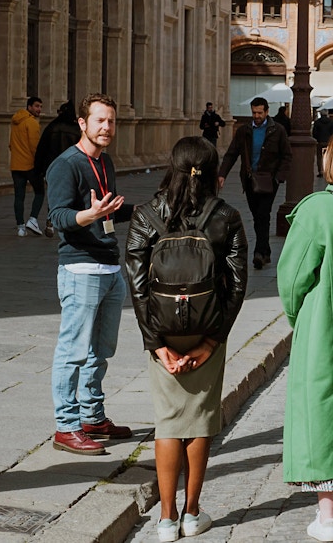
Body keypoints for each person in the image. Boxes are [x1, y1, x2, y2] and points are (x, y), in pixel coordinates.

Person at [126, 136, 247, 542]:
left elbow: (137, 284)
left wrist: (155, 343)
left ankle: (165, 519)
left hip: (162, 330)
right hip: (206, 327)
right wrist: (212, 341)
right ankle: (192, 515)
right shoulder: (226, 216)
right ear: (213, 172)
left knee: (168, 423)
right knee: (199, 421)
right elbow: (236, 284)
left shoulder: (146, 215)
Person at [46, 93, 134, 456]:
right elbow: (59, 218)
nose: (107, 127)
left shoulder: (105, 162)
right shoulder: (66, 165)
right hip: (80, 267)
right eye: (100, 120)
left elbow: (109, 212)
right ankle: (66, 427)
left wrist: (150, 211)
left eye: (111, 121)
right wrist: (91, 215)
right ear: (82, 123)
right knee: (73, 351)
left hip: (111, 266)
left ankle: (92, 416)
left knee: (101, 350)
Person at [277, 136, 333, 543]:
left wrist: (302, 317)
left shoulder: (318, 211)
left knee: (322, 411)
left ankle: (328, 514)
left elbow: (293, 279)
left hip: (326, 326)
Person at [218, 96, 292, 270]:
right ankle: (265, 251)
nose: (256, 116)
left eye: (260, 112)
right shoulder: (244, 131)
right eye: (254, 112)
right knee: (257, 216)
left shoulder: (277, 130)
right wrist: (222, 174)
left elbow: (287, 156)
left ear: (267, 111)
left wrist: (278, 178)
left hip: (269, 181)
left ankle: (259, 253)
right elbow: (231, 153)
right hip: (250, 181)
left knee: (263, 214)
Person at [34, 100, 81, 237]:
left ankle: (51, 220)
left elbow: (41, 149)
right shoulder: (76, 130)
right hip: (72, 167)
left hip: (52, 167)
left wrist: (38, 169)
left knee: (54, 194)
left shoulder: (52, 127)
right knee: (71, 194)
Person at [9, 96, 45, 237]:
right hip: (30, 165)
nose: (39, 109)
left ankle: (20, 227)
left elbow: (11, 144)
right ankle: (33, 219)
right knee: (40, 192)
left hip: (16, 165)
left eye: (40, 106)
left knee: (19, 196)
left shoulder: (15, 121)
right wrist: (40, 164)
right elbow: (34, 147)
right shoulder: (32, 123)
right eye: (36, 106)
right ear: (29, 107)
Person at [312, 109, 333, 177]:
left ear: (320, 114)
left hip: (320, 142)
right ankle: (328, 170)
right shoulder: (331, 122)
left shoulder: (317, 122)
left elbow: (314, 132)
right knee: (329, 156)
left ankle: (320, 171)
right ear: (327, 114)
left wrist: (317, 139)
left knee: (319, 157)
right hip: (328, 142)